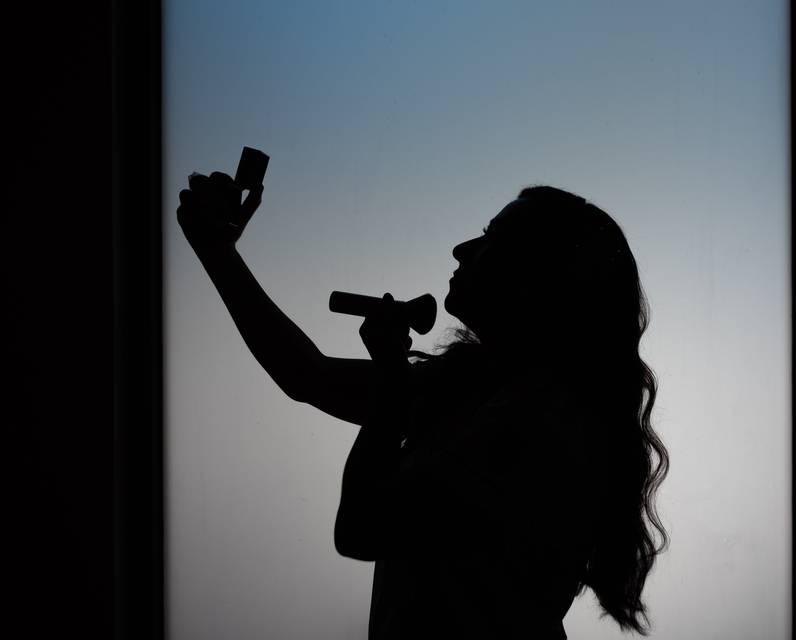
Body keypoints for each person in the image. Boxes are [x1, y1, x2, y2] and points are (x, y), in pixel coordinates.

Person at [177, 173, 669, 639]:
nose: (463, 249)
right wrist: (217, 251)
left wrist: (392, 384)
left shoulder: (545, 418)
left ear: (536, 277)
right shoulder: (475, 386)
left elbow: (362, 526)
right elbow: (307, 375)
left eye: (492, 238)